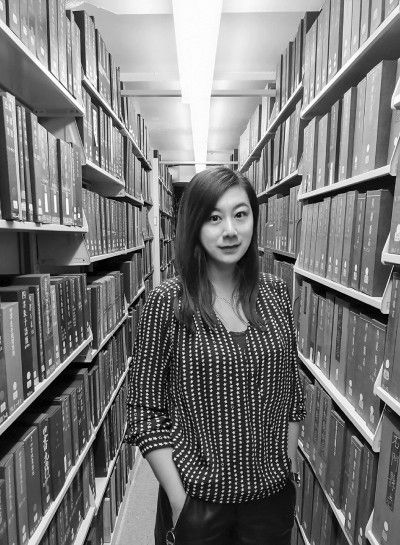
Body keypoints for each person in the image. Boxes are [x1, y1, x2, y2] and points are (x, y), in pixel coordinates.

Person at [126, 166, 306, 545]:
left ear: (254, 219)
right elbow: (144, 410)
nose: (230, 230)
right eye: (213, 218)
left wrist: (287, 469)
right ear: (194, 224)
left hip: (270, 500)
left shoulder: (275, 293)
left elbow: (291, 390)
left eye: (240, 214)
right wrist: (180, 501)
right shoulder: (168, 301)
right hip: (198, 502)